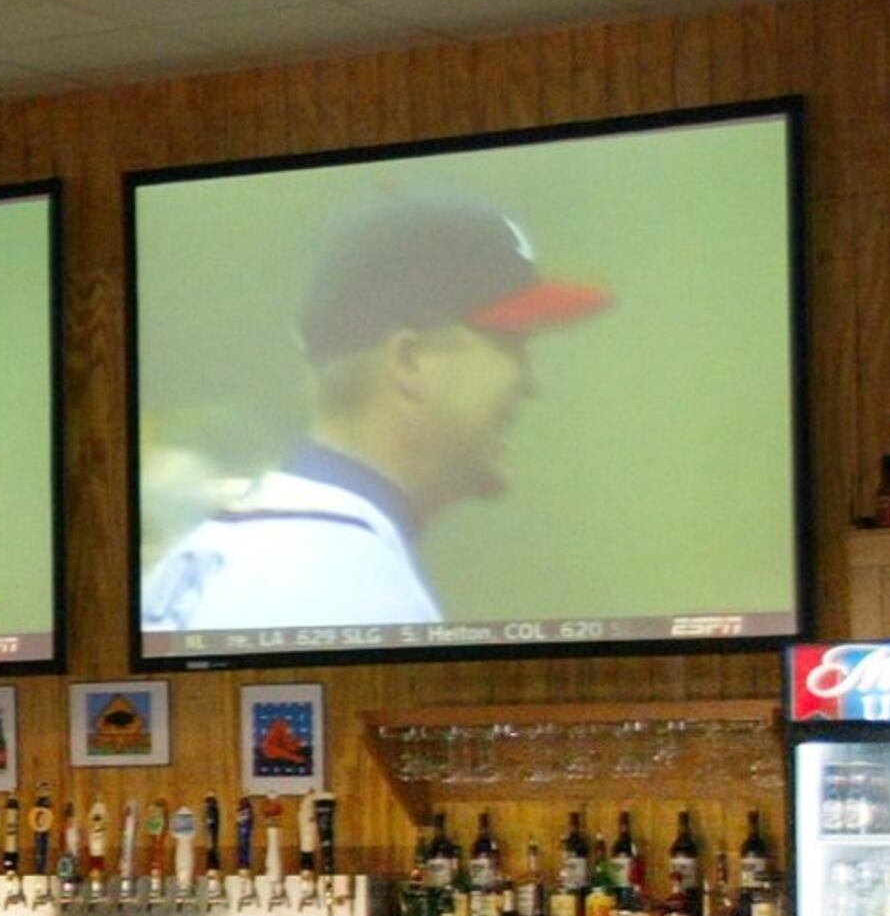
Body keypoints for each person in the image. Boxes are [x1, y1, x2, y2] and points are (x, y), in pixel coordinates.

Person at [142, 197, 609, 634]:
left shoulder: (208, 552)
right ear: (410, 361)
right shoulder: (350, 588)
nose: (530, 384)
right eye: (512, 343)